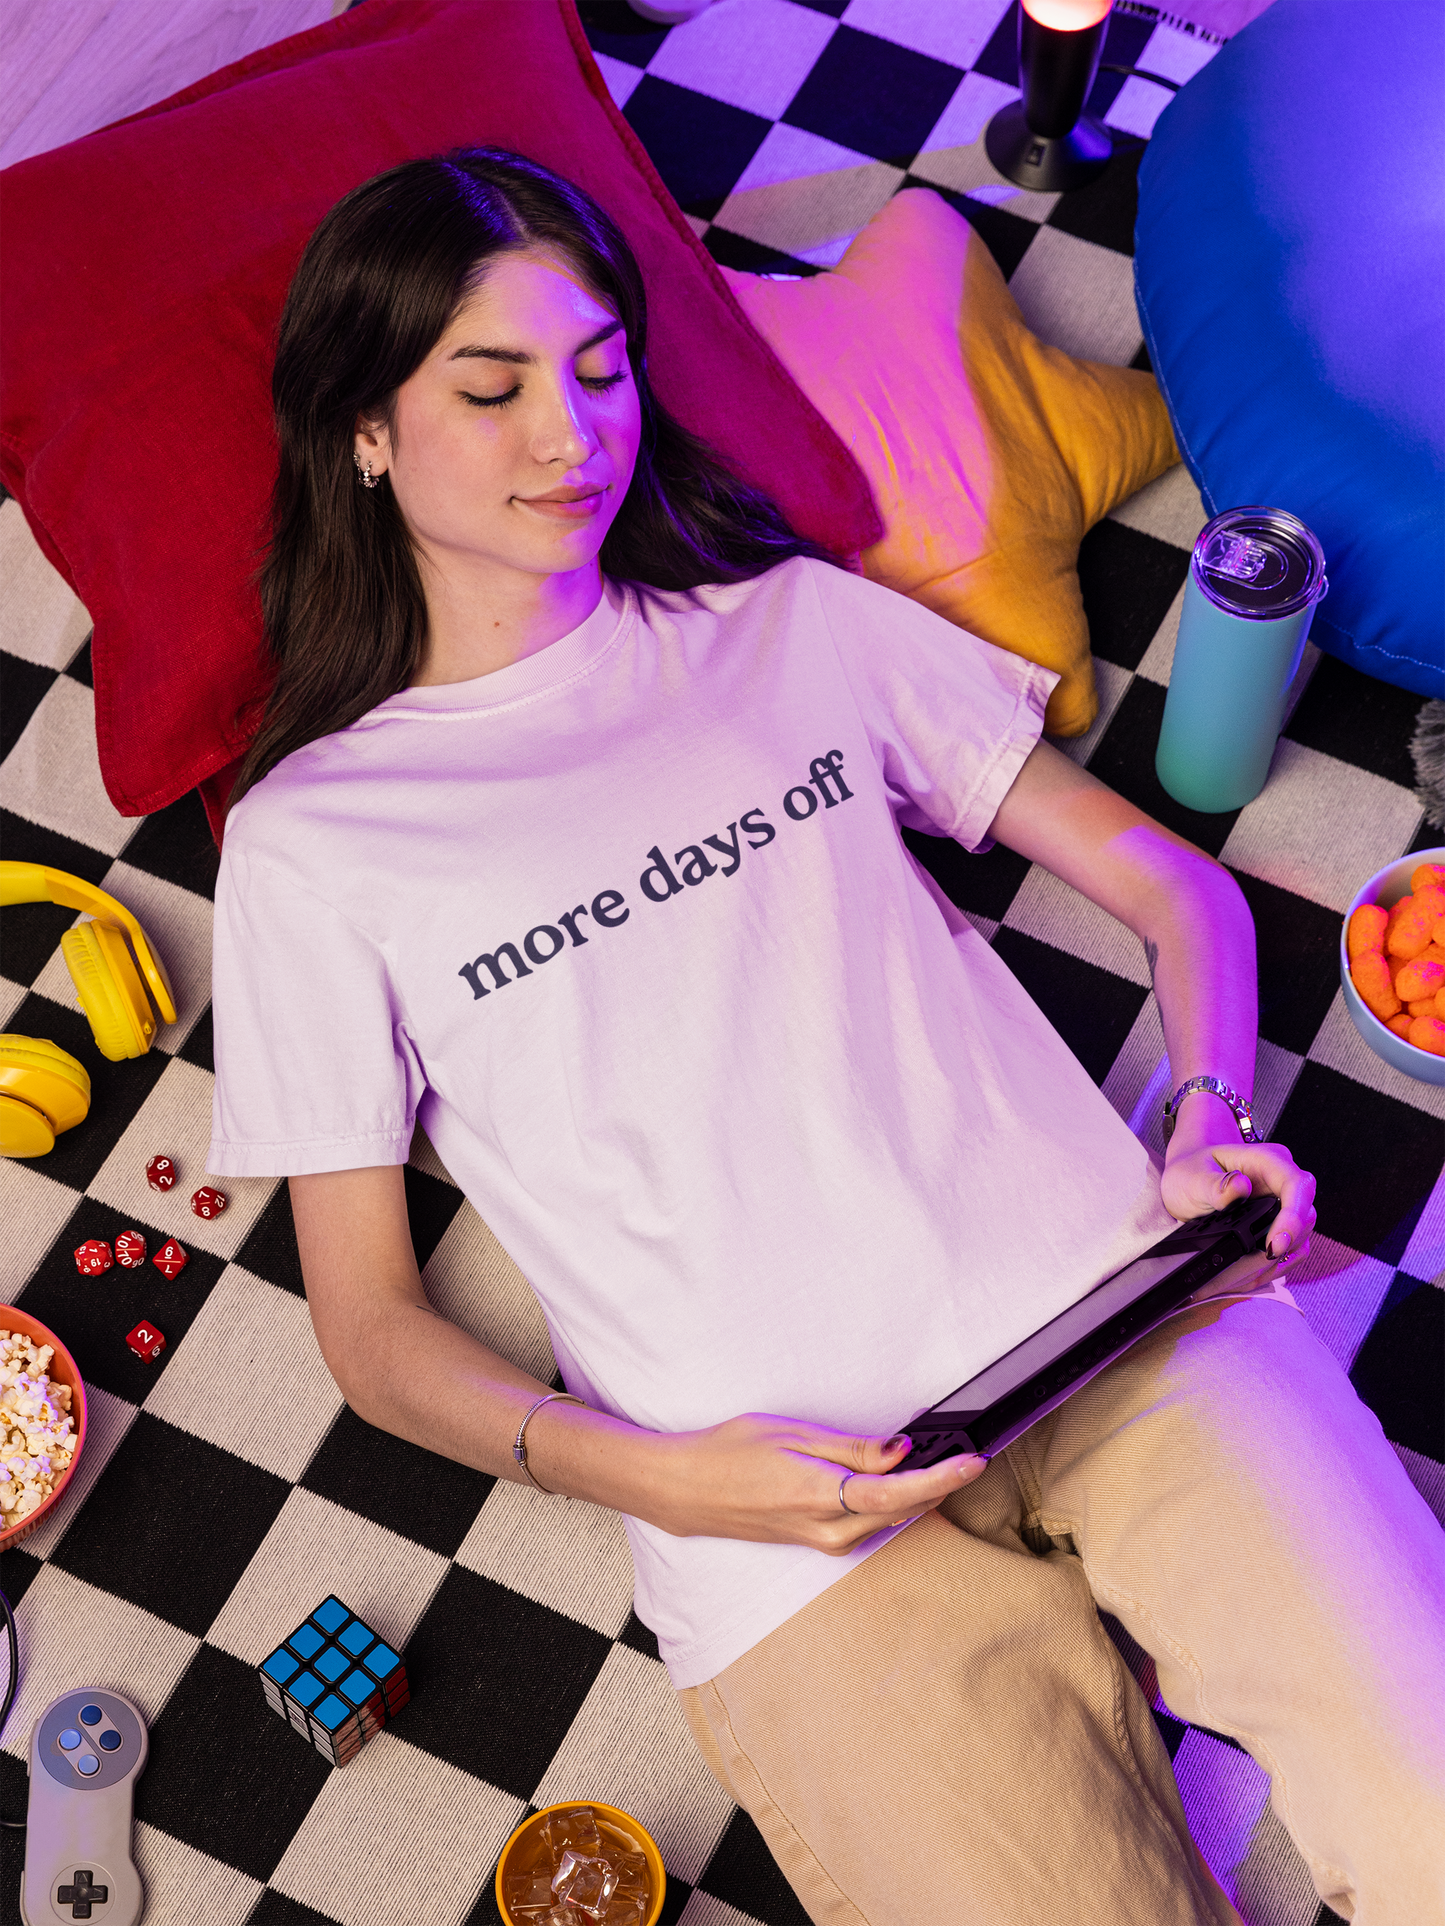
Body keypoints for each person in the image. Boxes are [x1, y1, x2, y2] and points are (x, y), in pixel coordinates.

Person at [208, 148, 1445, 1924]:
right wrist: (668, 1481)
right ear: (365, 432)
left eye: (602, 367)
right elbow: (372, 1334)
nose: (572, 430)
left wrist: (1205, 1112)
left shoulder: (789, 624)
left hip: (1126, 1316)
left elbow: (1184, 895)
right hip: (793, 1546)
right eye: (491, 388)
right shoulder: (313, 839)